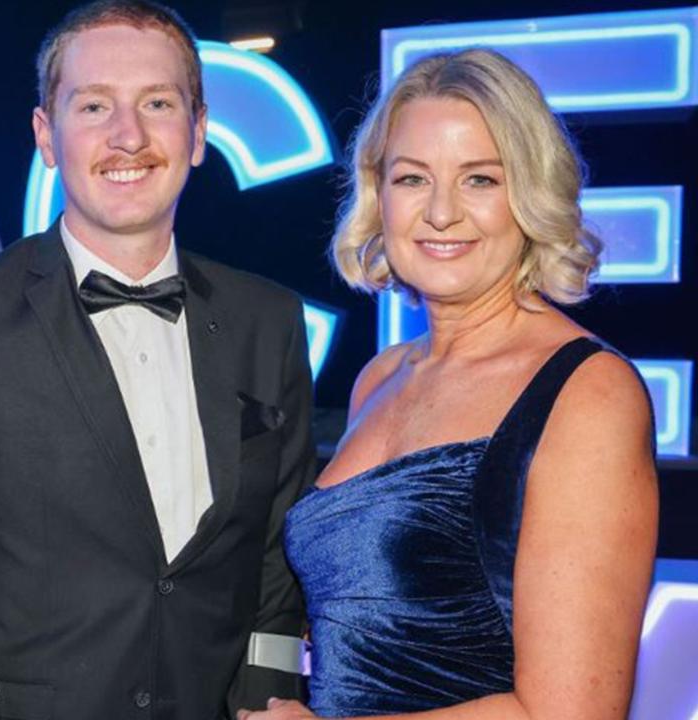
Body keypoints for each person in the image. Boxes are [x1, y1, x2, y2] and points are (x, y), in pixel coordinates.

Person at [0, 2, 315, 718]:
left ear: (199, 133)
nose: (129, 136)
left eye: (157, 102)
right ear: (46, 136)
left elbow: (276, 563)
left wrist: (270, 703)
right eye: (93, 106)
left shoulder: (266, 320)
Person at [242, 49, 658, 720]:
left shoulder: (588, 394)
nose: (441, 212)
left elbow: (572, 714)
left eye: (480, 180)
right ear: (380, 197)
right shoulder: (380, 377)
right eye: (412, 179)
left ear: (529, 193)